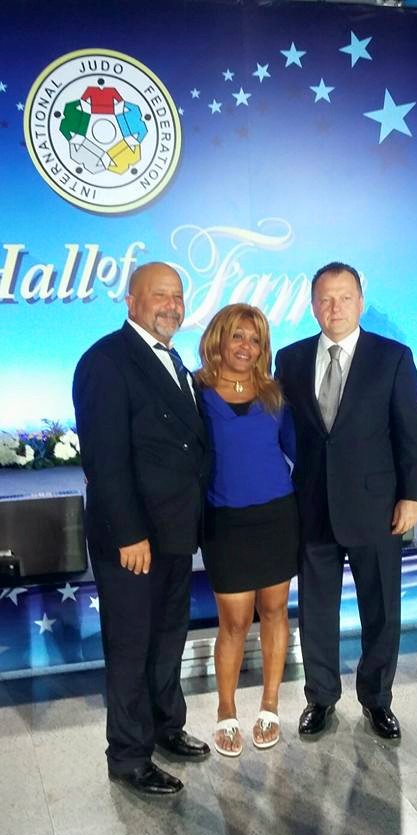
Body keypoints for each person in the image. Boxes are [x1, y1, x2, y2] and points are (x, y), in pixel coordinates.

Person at [72, 261, 211, 796]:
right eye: (159, 295)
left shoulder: (174, 360)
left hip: (173, 532)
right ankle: (129, 757)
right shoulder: (106, 361)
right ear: (131, 301)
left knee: (167, 638)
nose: (171, 305)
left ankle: (165, 727)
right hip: (133, 540)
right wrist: (130, 533)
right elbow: (105, 460)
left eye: (177, 296)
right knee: (132, 648)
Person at [275, 262, 417, 740]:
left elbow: (410, 432)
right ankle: (320, 697)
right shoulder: (290, 359)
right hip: (312, 506)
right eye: (325, 298)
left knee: (380, 610)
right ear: (312, 305)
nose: (334, 307)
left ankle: (377, 700)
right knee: (316, 611)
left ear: (360, 302)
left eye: (344, 297)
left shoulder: (393, 357)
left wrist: (412, 496)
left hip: (375, 507)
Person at [196, 304, 298, 757]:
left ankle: (270, 706)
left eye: (255, 340)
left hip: (277, 516)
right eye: (237, 336)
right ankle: (226, 711)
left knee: (275, 612)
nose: (246, 347)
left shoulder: (275, 393)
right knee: (234, 622)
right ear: (219, 339)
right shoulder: (196, 392)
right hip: (225, 522)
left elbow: (298, 450)